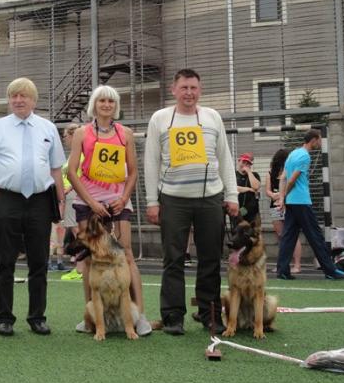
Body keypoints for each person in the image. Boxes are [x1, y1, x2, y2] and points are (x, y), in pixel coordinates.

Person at [144, 69, 239, 336]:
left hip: (210, 198)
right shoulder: (160, 118)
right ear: (173, 90)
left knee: (210, 258)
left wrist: (231, 195)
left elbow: (225, 158)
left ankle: (209, 314)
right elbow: (151, 161)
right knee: (173, 259)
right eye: (184, 87)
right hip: (173, 199)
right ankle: (173, 316)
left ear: (200, 90)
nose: (189, 93)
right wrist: (152, 201)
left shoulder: (212, 117)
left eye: (193, 88)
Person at [0, 77, 66, 337]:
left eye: (23, 96)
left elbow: (56, 169)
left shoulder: (48, 128)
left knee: (39, 261)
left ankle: (37, 317)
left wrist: (60, 201)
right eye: (14, 96)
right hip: (7, 199)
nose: (18, 100)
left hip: (40, 201)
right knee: (5, 261)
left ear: (33, 100)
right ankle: (4, 318)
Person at [67, 85, 151, 336]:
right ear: (94, 104)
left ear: (116, 106)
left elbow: (132, 171)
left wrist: (123, 198)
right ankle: (91, 316)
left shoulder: (125, 133)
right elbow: (72, 172)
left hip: (117, 202)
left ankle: (140, 316)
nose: (106, 105)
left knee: (126, 255)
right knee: (89, 257)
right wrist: (92, 203)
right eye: (102, 100)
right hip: (88, 202)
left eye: (111, 101)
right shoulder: (81, 133)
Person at [275, 129, 344, 280]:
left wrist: (282, 198)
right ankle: (331, 271)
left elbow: (282, 178)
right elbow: (292, 179)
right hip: (301, 202)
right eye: (319, 140)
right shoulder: (305, 156)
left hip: (291, 203)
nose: (320, 143)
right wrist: (285, 195)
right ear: (313, 140)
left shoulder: (292, 154)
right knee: (316, 236)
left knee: (288, 237)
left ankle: (282, 271)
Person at [265, 149, 301, 274]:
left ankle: (297, 265)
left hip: (289, 205)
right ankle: (282, 264)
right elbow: (267, 191)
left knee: (293, 235)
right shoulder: (270, 173)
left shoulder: (291, 171)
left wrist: (282, 195)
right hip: (275, 206)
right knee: (280, 235)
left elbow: (293, 186)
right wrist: (274, 195)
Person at [60, 124, 84, 281]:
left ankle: (81, 268)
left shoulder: (80, 154)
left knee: (77, 231)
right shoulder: (75, 154)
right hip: (70, 194)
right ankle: (82, 267)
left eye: (65, 136)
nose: (64, 139)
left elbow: (82, 175)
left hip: (74, 193)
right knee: (77, 230)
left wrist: (69, 188)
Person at [235, 153, 260, 223]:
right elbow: (234, 188)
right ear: (239, 161)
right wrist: (248, 189)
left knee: (255, 229)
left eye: (248, 163)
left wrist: (249, 172)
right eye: (243, 162)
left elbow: (256, 187)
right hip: (238, 211)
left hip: (253, 212)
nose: (245, 165)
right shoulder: (234, 175)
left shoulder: (255, 175)